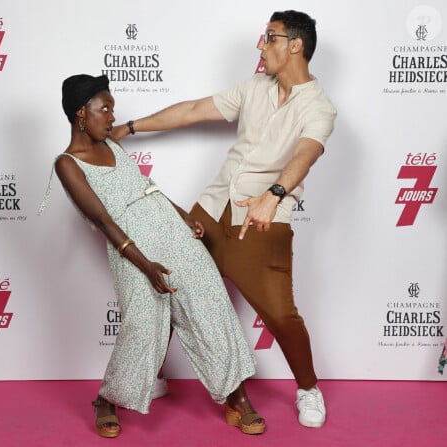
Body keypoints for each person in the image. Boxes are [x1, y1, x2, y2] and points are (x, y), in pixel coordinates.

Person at [112, 10, 337, 428]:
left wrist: (275, 194)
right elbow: (194, 110)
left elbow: (305, 154)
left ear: (296, 45)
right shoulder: (255, 87)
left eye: (270, 37)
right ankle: (148, 374)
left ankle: (308, 389)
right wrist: (130, 126)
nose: (261, 45)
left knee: (280, 313)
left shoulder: (320, 108)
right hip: (212, 212)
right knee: (169, 283)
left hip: (261, 219)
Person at [52, 73, 265, 438]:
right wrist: (145, 264)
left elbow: (147, 190)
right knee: (142, 327)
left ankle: (238, 398)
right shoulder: (68, 163)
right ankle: (107, 399)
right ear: (80, 113)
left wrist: (184, 217)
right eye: (104, 109)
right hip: (131, 247)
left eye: (112, 109)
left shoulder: (114, 146)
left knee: (210, 301)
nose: (112, 116)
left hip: (171, 232)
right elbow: (102, 220)